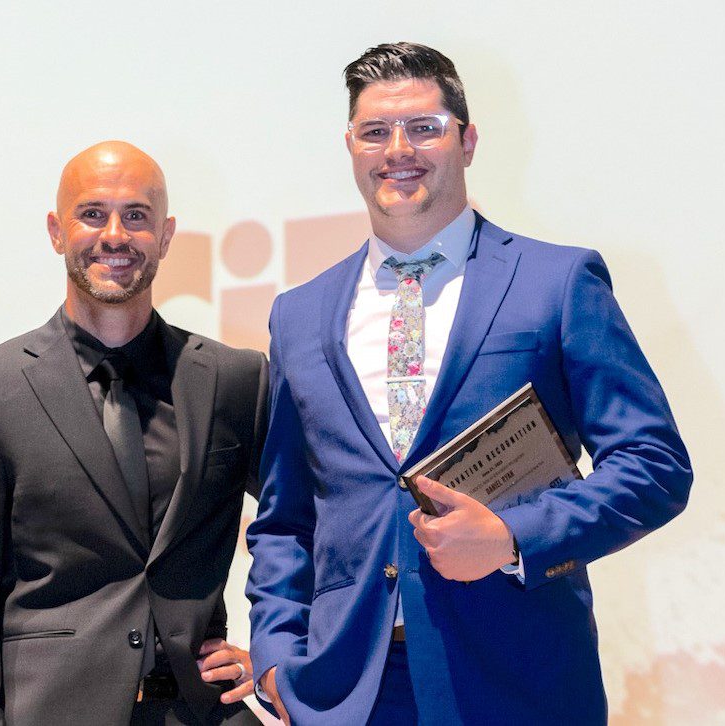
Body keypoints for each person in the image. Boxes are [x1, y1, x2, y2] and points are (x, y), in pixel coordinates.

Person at [246, 43, 693, 725]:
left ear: (468, 139)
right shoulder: (299, 314)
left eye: (424, 127)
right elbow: (285, 517)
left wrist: (513, 536)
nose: (399, 149)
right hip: (347, 693)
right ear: (351, 147)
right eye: (375, 131)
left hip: (517, 679)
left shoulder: (558, 282)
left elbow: (655, 467)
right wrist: (276, 654)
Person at [0, 141, 267, 726]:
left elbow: (310, 521)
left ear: (167, 233)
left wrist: (285, 652)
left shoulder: (234, 379)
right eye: (92, 214)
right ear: (57, 230)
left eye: (136, 216)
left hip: (203, 712)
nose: (115, 235)